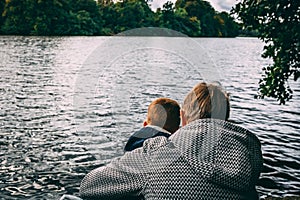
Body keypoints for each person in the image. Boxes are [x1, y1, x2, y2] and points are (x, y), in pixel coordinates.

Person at [80, 82, 263, 200]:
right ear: (226, 119)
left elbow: (88, 186)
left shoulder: (157, 152)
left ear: (182, 117)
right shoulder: (248, 158)